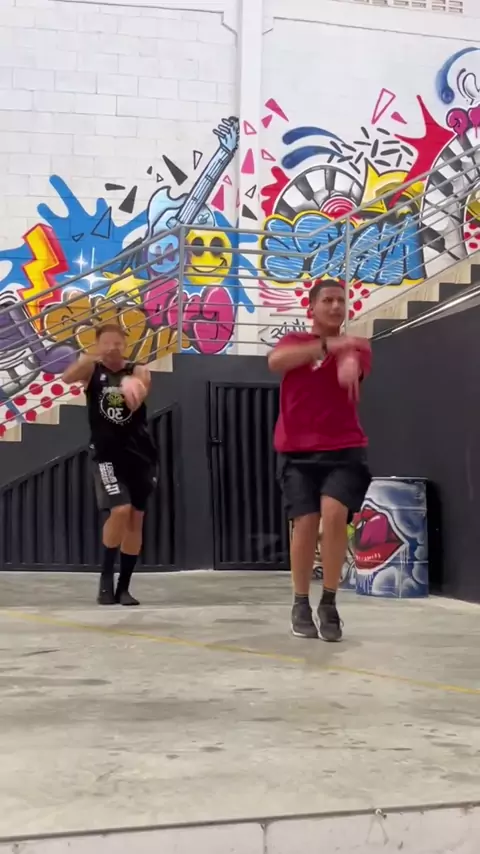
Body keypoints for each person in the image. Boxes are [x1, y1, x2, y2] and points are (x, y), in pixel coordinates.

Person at [268, 279, 372, 641]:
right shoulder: (293, 342)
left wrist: (347, 360)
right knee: (305, 522)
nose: (335, 306)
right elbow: (275, 362)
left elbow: (355, 365)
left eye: (341, 300)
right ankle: (300, 602)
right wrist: (326, 346)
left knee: (334, 513)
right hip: (297, 451)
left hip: (344, 449)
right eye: (327, 300)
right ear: (311, 307)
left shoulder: (357, 345)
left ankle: (328, 601)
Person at [62, 324, 157, 606]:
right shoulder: (93, 370)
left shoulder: (138, 370)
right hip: (106, 455)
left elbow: (140, 393)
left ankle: (123, 587)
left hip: (140, 455)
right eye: (107, 343)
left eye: (118, 343)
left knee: (135, 519)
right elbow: (68, 377)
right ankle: (105, 578)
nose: (113, 347)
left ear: (125, 345)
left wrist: (132, 386)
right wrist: (90, 357)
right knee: (120, 510)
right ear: (98, 344)